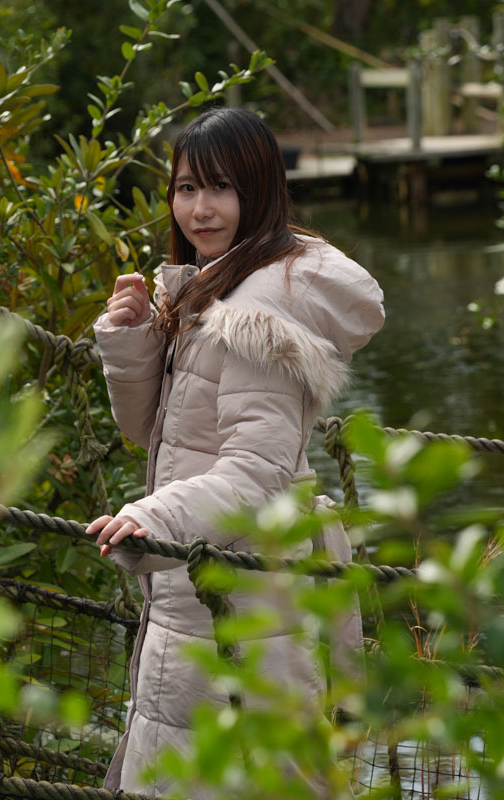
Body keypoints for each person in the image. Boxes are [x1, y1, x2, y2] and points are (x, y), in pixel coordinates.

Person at [86, 106, 385, 797]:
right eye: (187, 187)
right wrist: (136, 341)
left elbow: (257, 471)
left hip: (246, 587)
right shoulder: (213, 285)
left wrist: (154, 519)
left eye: (221, 187)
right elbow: (158, 436)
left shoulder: (258, 311)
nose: (201, 208)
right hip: (198, 575)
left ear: (259, 189)